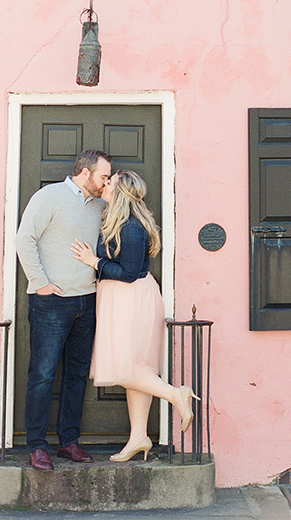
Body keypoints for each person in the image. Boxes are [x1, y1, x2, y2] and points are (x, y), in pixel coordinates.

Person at [71, 169, 197, 463]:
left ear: (121, 192)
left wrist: (95, 262)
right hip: (121, 298)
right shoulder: (117, 220)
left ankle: (176, 395)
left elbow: (129, 273)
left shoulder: (131, 226)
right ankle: (139, 437)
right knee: (136, 367)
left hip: (131, 298)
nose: (105, 183)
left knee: (127, 368)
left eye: (110, 181)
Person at [14, 148, 111, 470]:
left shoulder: (100, 205)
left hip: (88, 299)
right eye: (103, 177)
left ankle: (69, 441)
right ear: (86, 173)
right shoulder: (49, 196)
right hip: (51, 302)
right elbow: (24, 239)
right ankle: (37, 445)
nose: (105, 182)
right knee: (42, 375)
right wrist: (40, 282)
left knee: (76, 374)